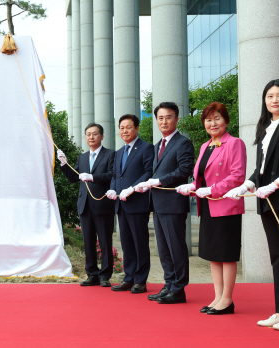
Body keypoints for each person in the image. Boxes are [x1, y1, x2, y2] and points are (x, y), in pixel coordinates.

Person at [224, 79, 279, 330]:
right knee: (277, 257)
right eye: (269, 96)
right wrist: (246, 185)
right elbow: (261, 170)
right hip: (268, 202)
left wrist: (276, 184)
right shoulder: (265, 127)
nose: (274, 100)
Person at [175, 102, 246, 315]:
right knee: (213, 254)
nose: (212, 123)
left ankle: (227, 300)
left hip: (226, 206)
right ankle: (217, 297)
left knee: (226, 254)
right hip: (207, 206)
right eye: (208, 119)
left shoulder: (235, 143)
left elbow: (237, 176)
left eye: (217, 118)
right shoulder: (206, 146)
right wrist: (193, 187)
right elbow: (201, 176)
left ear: (226, 120)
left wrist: (212, 189)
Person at [135, 101, 194, 304]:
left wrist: (159, 180)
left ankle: (179, 289)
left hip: (174, 203)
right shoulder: (157, 145)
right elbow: (154, 172)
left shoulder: (183, 143)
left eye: (168, 117)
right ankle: (169, 284)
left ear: (176, 119)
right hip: (158, 203)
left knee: (176, 246)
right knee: (163, 248)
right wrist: (146, 184)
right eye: (160, 118)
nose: (164, 121)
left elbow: (185, 169)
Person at [58, 123, 115, 287]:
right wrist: (64, 164)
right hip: (85, 205)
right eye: (88, 134)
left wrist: (92, 177)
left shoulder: (110, 155)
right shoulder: (82, 157)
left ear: (102, 136)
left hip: (102, 203)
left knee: (104, 241)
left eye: (95, 134)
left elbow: (112, 175)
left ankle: (105, 276)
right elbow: (73, 177)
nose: (91, 137)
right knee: (88, 241)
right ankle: (92, 274)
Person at [105, 114, 154, 294]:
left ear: (136, 128)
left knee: (139, 242)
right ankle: (129, 277)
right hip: (121, 204)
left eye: (128, 127)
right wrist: (112, 189)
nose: (124, 131)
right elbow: (116, 176)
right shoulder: (119, 152)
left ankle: (140, 280)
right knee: (126, 243)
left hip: (137, 202)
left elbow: (148, 172)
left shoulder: (146, 148)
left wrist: (132, 188)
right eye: (122, 128)